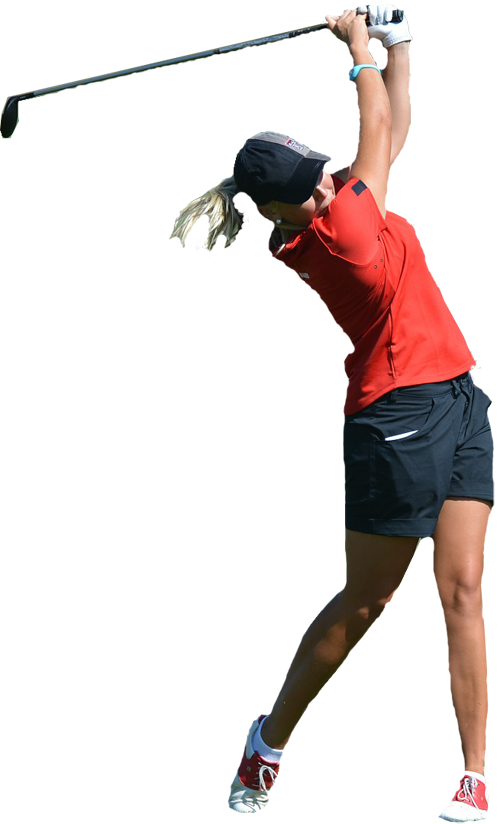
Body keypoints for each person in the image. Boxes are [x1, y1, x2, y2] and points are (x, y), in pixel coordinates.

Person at [174, 6, 493, 820]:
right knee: (363, 603)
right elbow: (380, 124)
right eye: (307, 188)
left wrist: (398, 40)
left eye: (317, 171)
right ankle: (266, 746)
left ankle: (473, 775)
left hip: (461, 395)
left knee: (464, 587)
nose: (324, 181)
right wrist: (358, 45)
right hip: (399, 417)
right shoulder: (340, 228)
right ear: (283, 214)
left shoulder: (336, 196)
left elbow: (393, 130)